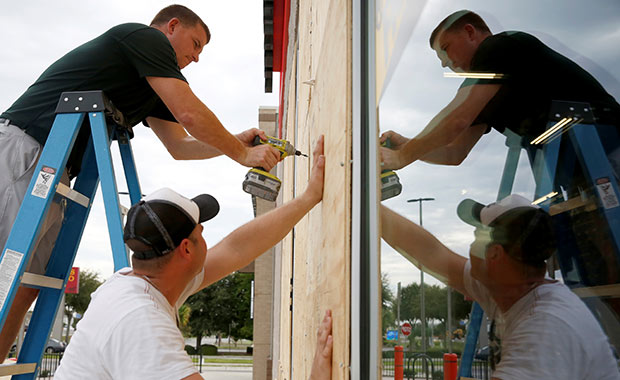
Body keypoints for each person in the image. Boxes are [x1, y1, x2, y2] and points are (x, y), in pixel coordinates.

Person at [0, 4, 282, 359]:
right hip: (25, 149)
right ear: (172, 27)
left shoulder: (147, 83)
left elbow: (179, 145)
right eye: (195, 44)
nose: (195, 58)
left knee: (26, 286)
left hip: (56, 172)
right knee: (4, 273)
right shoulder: (144, 38)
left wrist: (235, 141)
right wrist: (242, 156)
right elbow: (190, 113)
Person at [54, 137, 332, 380]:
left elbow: (237, 248)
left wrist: (309, 197)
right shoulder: (142, 323)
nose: (206, 235)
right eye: (201, 231)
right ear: (186, 249)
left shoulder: (132, 285)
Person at [381, 194, 620, 379]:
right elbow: (430, 253)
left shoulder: (545, 328)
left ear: (494, 254)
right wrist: (370, 205)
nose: (471, 245)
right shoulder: (507, 286)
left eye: (476, 235)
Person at [379, 10, 620, 170]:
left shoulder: (499, 47)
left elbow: (457, 119)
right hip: (583, 159)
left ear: (470, 32)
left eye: (445, 49)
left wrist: (403, 156)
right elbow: (454, 153)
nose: (445, 62)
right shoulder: (489, 88)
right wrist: (407, 144)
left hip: (606, 142)